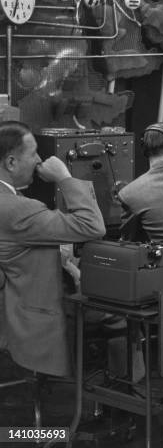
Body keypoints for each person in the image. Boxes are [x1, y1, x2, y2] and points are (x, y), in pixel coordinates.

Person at [0, 121, 106, 377]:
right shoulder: (17, 209)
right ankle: (119, 402)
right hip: (26, 316)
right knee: (114, 314)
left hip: (11, 303)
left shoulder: (13, 202)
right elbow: (92, 226)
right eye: (33, 153)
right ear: (11, 162)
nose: (39, 160)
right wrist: (64, 177)